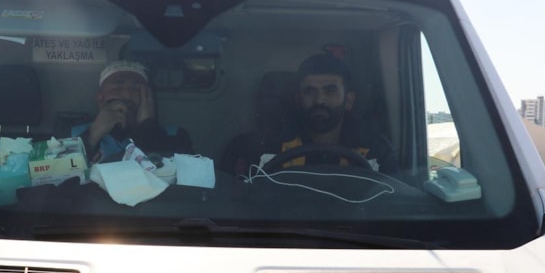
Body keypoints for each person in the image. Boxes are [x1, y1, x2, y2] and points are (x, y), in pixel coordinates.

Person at [222, 53, 398, 175]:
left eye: (330, 91)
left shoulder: (376, 151)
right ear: (298, 99)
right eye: (310, 91)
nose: (319, 100)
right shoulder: (263, 147)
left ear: (349, 101)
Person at [73, 60, 193, 164]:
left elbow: (172, 174)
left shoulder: (175, 136)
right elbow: (64, 173)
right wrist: (92, 136)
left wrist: (147, 127)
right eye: (117, 88)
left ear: (148, 98)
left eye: (136, 89)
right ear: (100, 99)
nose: (127, 96)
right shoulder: (73, 134)